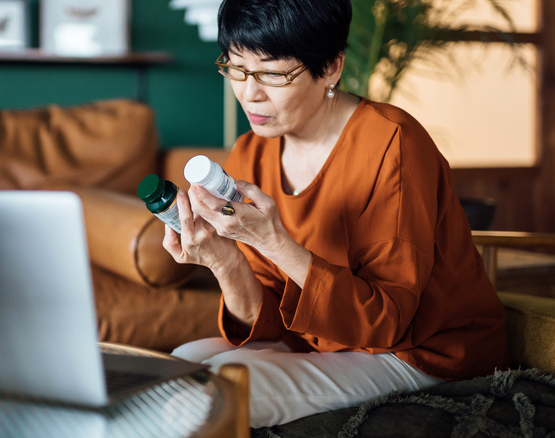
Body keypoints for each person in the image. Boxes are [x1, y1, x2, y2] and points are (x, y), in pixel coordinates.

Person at [164, 0, 510, 429]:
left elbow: (386, 321)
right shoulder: (251, 152)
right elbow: (269, 320)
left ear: (330, 67)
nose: (250, 92)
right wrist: (223, 258)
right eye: (236, 67)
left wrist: (273, 241)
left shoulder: (393, 145)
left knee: (212, 392)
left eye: (272, 74)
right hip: (320, 337)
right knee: (177, 368)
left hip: (418, 349)